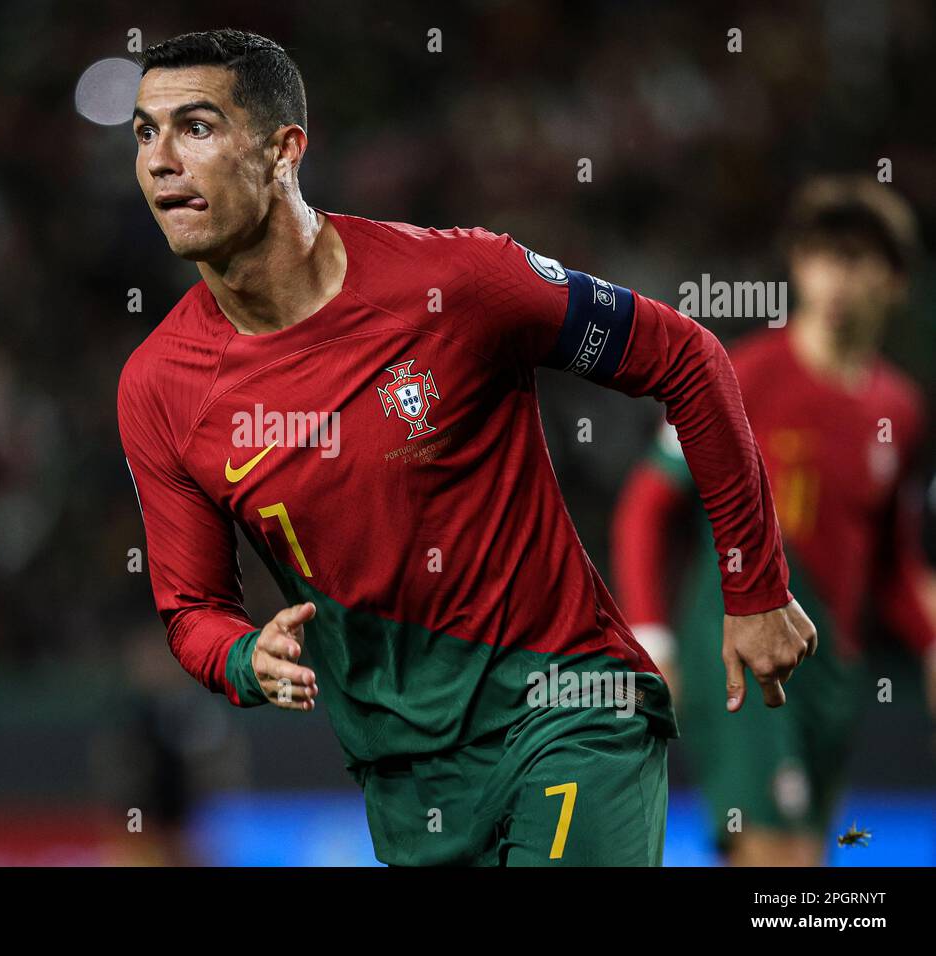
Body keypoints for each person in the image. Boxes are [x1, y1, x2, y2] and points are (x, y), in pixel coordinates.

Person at [117, 28, 815, 866]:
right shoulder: (159, 387)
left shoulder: (459, 284)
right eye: (143, 132)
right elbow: (193, 609)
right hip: (408, 778)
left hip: (570, 707)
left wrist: (755, 587)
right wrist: (241, 658)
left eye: (194, 127)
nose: (160, 159)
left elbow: (688, 360)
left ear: (283, 151)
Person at [612, 175, 936, 866]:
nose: (836, 276)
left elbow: (891, 562)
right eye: (822, 254)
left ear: (897, 280)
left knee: (805, 859)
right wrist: (652, 639)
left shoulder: (899, 410)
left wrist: (932, 637)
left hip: (833, 670)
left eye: (858, 257)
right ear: (797, 266)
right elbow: (647, 504)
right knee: (779, 860)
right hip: (740, 649)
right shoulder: (740, 376)